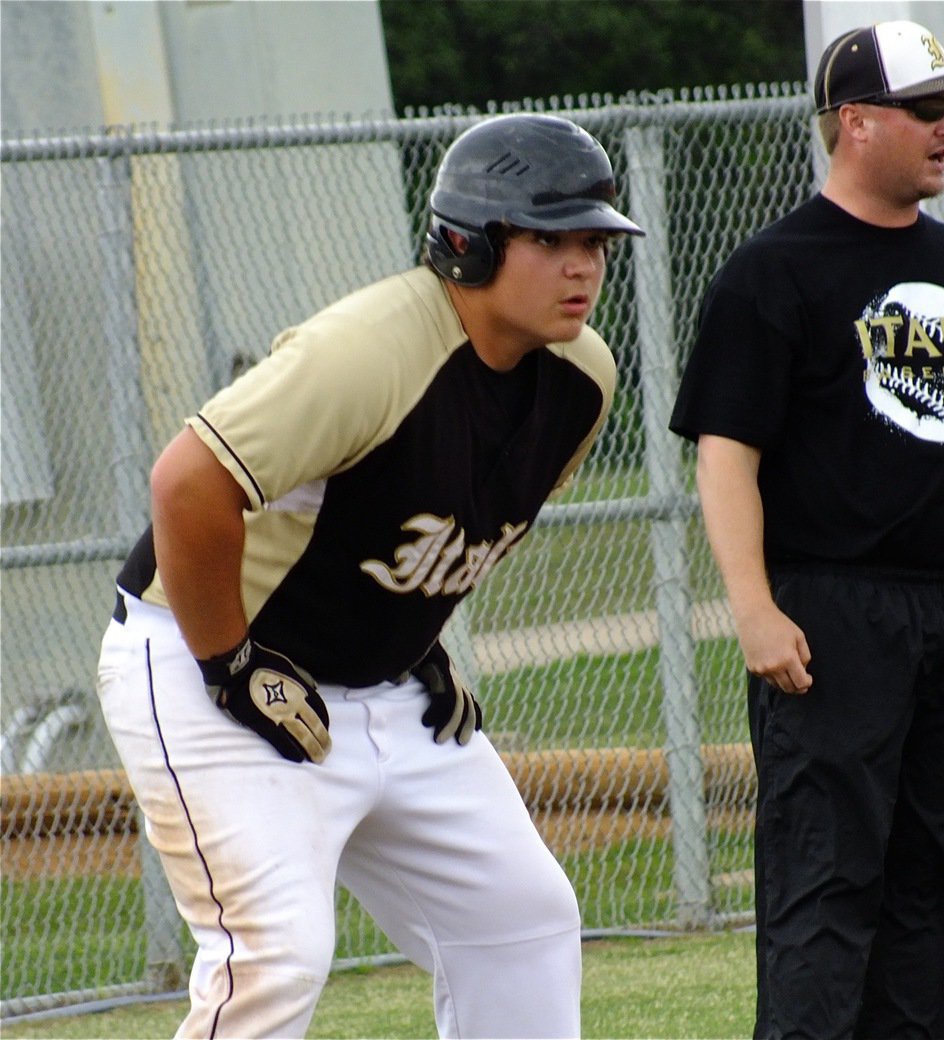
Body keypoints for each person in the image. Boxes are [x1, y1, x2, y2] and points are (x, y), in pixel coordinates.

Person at [96, 112, 643, 1039]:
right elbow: (186, 485)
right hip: (197, 655)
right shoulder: (369, 350)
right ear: (468, 245)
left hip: (379, 687)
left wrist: (411, 640)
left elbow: (434, 525)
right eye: (551, 238)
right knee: (277, 950)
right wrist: (230, 662)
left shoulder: (582, 379)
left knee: (521, 920)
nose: (583, 263)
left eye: (594, 238)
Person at [669, 20, 944, 1040]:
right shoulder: (771, 273)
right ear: (855, 121)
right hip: (837, 616)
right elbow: (725, 456)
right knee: (827, 886)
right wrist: (752, 606)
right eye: (927, 108)